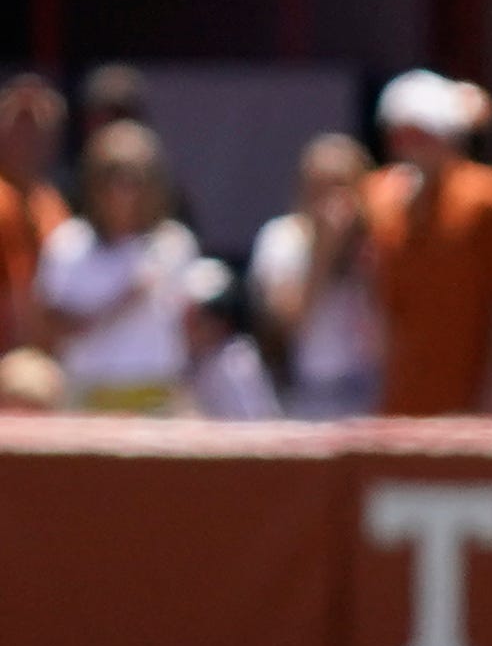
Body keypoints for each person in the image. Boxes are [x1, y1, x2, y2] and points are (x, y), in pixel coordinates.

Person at [361, 70, 492, 416]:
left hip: (471, 385)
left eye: (422, 135)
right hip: (401, 389)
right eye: (401, 136)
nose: (409, 146)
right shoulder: (378, 195)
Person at [33, 121, 197, 413]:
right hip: (88, 396)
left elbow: (192, 327)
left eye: (136, 179)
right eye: (112, 178)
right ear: (93, 183)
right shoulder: (69, 243)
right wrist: (117, 302)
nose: (123, 191)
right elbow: (47, 327)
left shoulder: (175, 242)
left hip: (157, 396)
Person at [248, 133, 383, 418]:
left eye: (340, 186)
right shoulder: (282, 238)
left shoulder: (383, 239)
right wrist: (324, 252)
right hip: (307, 394)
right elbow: (286, 324)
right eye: (318, 187)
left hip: (373, 389)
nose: (329, 201)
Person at [0, 76, 70, 354]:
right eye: (18, 123)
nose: (26, 136)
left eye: (37, 125)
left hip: (41, 356)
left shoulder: (52, 201)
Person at [180, 259, 280, 421]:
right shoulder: (188, 359)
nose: (192, 326)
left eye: (207, 316)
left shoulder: (237, 360)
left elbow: (255, 427)